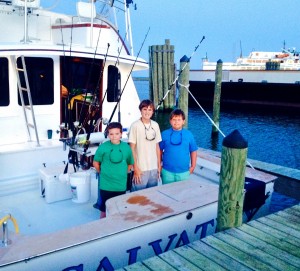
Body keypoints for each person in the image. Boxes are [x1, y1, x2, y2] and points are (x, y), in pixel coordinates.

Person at [93, 122, 134, 218]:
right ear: (108, 134)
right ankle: (103, 226)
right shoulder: (103, 147)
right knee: (104, 208)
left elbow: (130, 163)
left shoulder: (126, 147)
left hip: (120, 185)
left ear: (121, 134)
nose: (114, 136)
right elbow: (96, 163)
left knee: (118, 207)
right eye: (111, 134)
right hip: (106, 185)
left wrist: (123, 173)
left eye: (116, 134)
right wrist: (102, 173)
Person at [128, 99, 162, 191]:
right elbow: (132, 149)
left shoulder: (155, 125)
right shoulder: (135, 126)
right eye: (145, 109)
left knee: (151, 195)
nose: (147, 112)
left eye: (150, 109)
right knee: (137, 196)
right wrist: (136, 168)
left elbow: (157, 147)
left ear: (153, 112)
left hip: (153, 168)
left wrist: (158, 166)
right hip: (140, 169)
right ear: (140, 110)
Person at [159, 109, 198, 184]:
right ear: (170, 121)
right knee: (167, 192)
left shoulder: (189, 134)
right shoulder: (164, 134)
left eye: (179, 119)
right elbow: (159, 150)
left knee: (182, 194)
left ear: (183, 121)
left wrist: (193, 166)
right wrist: (160, 165)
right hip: (167, 171)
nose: (176, 122)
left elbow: (193, 151)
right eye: (174, 119)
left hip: (184, 172)